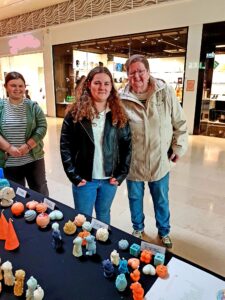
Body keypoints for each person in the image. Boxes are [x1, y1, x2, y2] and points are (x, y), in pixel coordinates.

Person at [119, 54, 188, 248]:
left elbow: (180, 122)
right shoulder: (121, 98)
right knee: (134, 198)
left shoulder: (164, 92)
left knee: (161, 199)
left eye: (141, 71)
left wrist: (178, 147)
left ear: (148, 72)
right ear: (127, 76)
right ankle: (138, 228)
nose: (137, 77)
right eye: (132, 73)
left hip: (160, 160)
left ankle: (164, 231)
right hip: (134, 162)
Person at [60, 66, 131, 224]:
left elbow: (127, 146)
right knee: (83, 218)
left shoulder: (118, 114)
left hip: (109, 179)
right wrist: (74, 175)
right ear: (88, 85)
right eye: (97, 83)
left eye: (107, 83)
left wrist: (121, 174)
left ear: (112, 87)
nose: (102, 87)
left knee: (104, 215)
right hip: (85, 179)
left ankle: (102, 246)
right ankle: (84, 247)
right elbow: (65, 147)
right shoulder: (74, 114)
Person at [0, 71, 49, 196]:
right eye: (13, 85)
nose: (17, 89)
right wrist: (9, 148)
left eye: (21, 86)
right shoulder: (1, 106)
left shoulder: (33, 106)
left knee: (40, 191)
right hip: (9, 161)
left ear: (25, 87)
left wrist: (28, 146)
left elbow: (42, 127)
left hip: (33, 158)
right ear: (6, 87)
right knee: (15, 194)